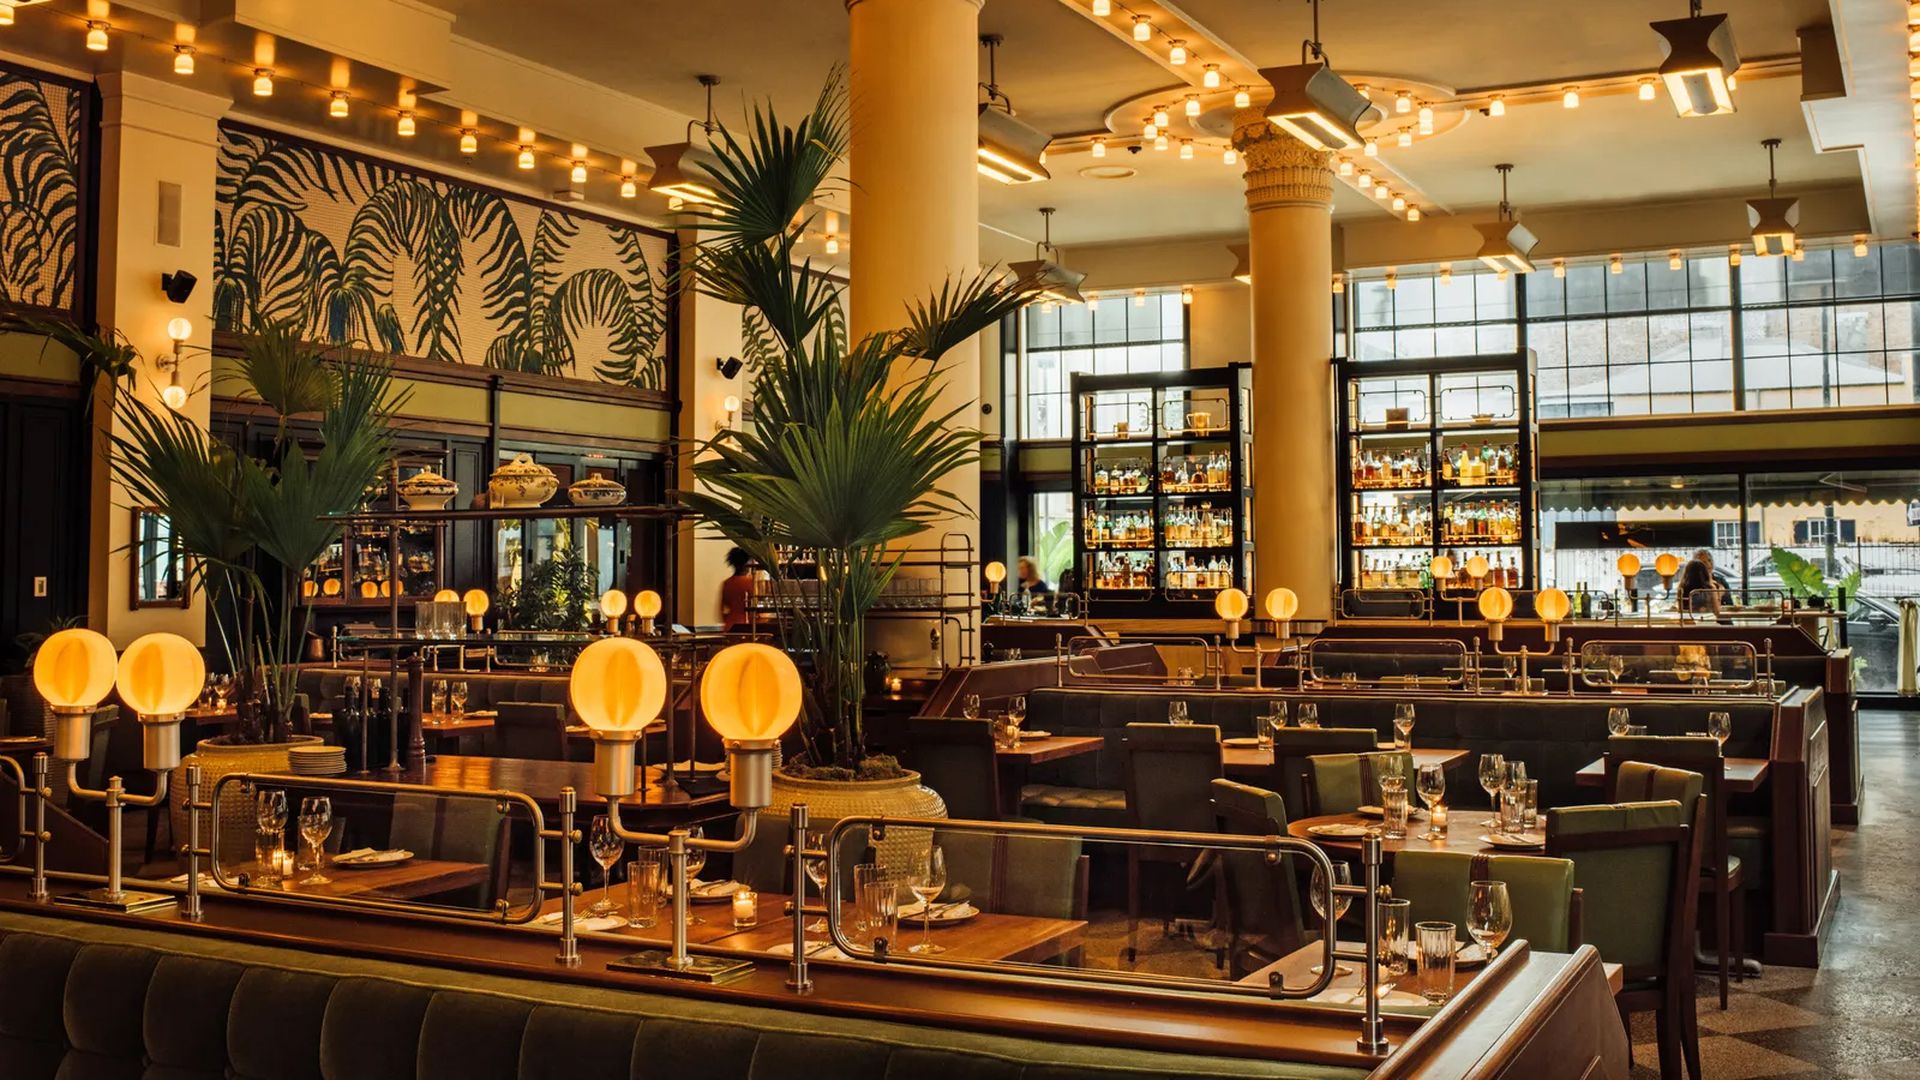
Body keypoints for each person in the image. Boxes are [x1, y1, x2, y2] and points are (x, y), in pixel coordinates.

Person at [1674, 549, 1724, 616]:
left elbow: (1680, 610)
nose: (1709, 565)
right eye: (1705, 563)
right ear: (1704, 571)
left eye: (1709, 561)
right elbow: (1717, 612)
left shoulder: (1682, 588)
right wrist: (1719, 596)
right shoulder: (1710, 588)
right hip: (1707, 623)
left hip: (1688, 623)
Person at [719, 547, 757, 632]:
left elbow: (722, 609)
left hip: (730, 626)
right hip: (748, 626)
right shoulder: (752, 582)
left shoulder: (727, 583)